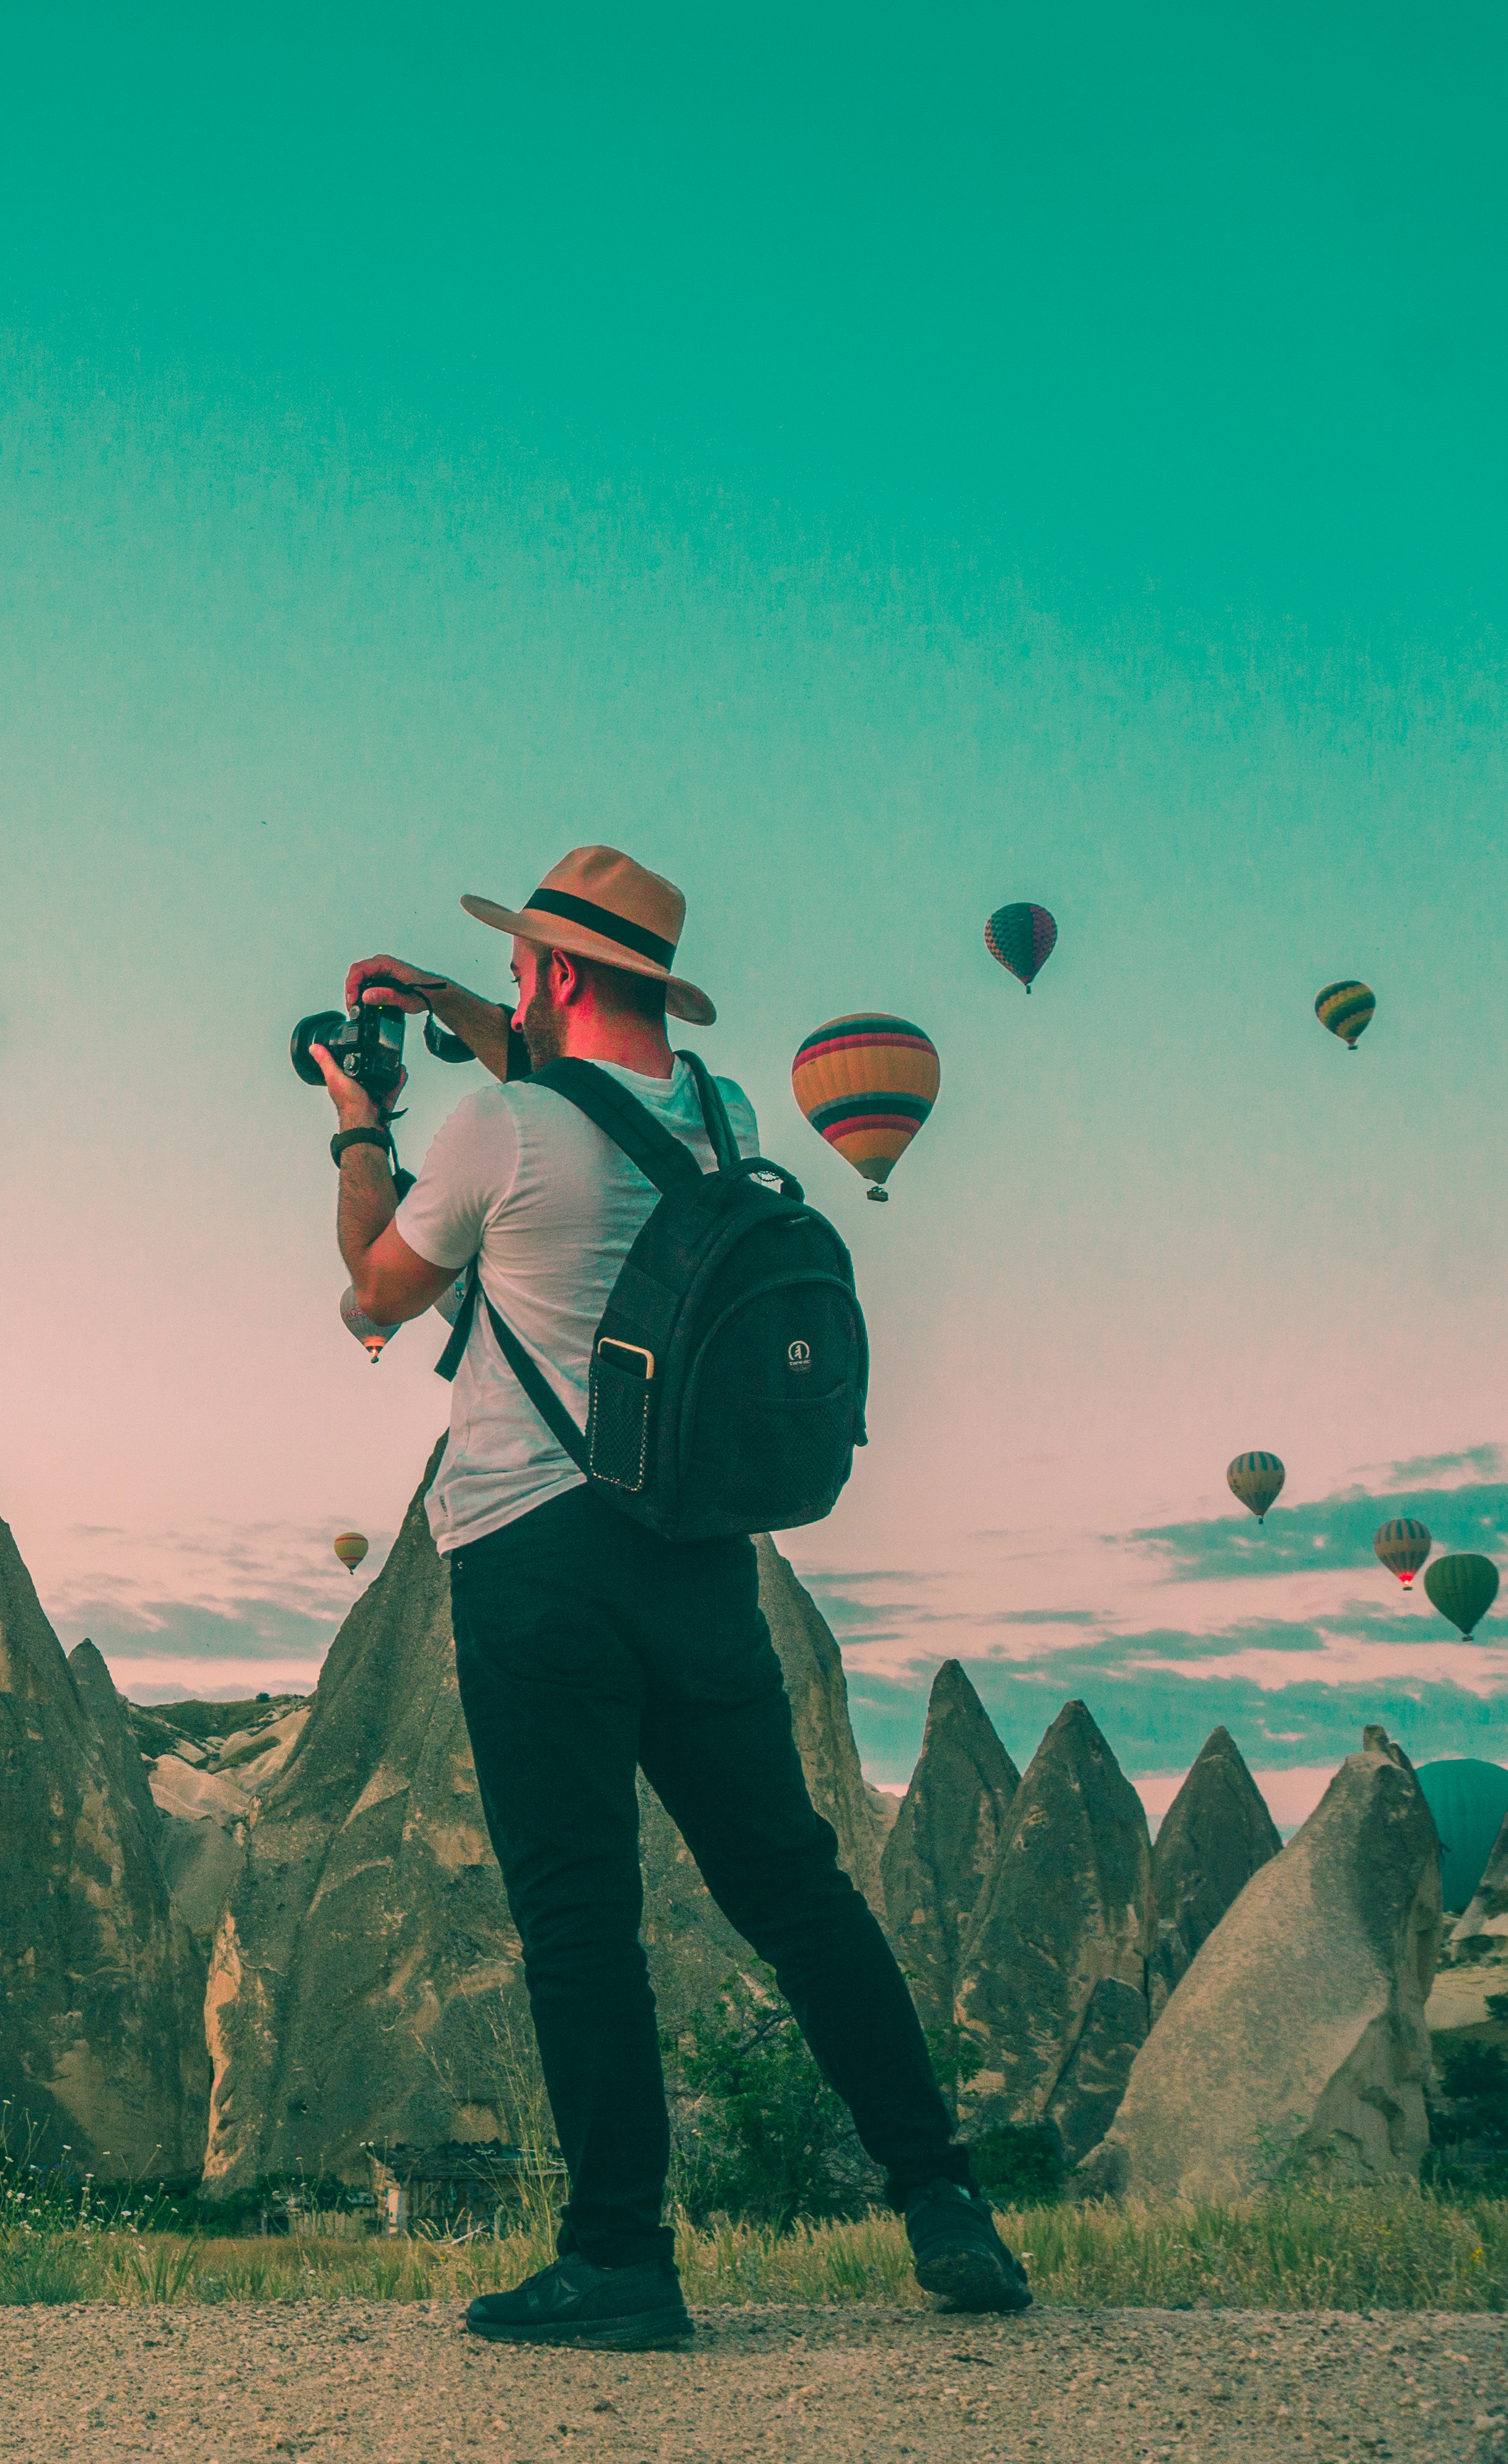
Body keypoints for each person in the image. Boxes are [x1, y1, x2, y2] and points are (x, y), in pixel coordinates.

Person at [320, 845, 1028, 2349]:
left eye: (520, 966)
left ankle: (623, 2256)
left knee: (580, 1914)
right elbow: (590, 1089)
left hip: (531, 1560)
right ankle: (944, 2198)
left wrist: (357, 1130)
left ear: (560, 975)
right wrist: (446, 993)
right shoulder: (723, 1120)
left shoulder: (492, 1131)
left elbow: (377, 1292)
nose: (508, 987)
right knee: (794, 1884)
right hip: (703, 1559)